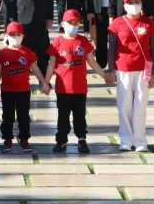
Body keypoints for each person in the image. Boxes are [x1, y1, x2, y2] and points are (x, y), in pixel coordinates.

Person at [45, 9, 109, 154]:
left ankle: (81, 140)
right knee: (63, 116)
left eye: (76, 23)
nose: (73, 25)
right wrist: (46, 82)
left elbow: (92, 62)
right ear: (63, 24)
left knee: (80, 116)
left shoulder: (83, 41)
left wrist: (104, 75)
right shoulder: (57, 42)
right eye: (70, 23)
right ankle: (61, 140)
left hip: (80, 88)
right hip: (63, 89)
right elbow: (51, 64)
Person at [107, 0, 154, 152]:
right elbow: (112, 48)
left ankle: (140, 140)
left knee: (140, 105)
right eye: (131, 2)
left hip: (144, 70)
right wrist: (110, 70)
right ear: (124, 5)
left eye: (137, 1)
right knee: (124, 105)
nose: (134, 5)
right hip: (123, 69)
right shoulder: (117, 24)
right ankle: (126, 139)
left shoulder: (148, 24)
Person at [0, 22, 49, 153]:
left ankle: (24, 138)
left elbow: (35, 68)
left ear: (23, 36)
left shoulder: (27, 52)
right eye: (12, 34)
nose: (15, 37)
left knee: (24, 116)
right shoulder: (3, 53)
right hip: (7, 91)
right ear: (7, 36)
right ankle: (7, 139)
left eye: (18, 34)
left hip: (24, 90)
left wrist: (43, 82)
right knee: (7, 116)